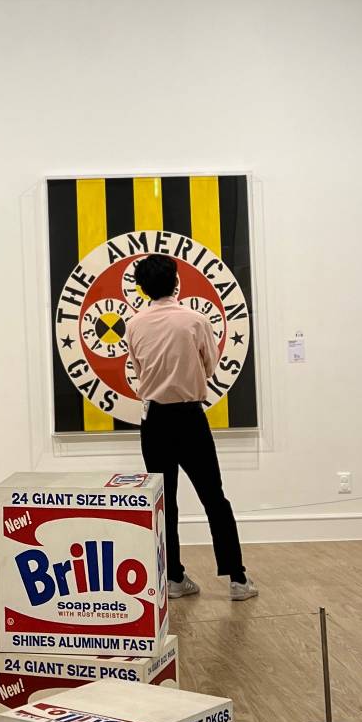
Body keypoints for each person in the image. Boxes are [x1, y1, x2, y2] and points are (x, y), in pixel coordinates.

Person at [124, 253, 256, 603]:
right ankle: (237, 578)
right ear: (176, 282)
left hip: (154, 421)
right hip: (189, 418)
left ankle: (174, 578)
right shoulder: (196, 320)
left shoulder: (134, 325)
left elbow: (138, 369)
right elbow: (210, 367)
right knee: (214, 497)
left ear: (142, 288)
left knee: (164, 503)